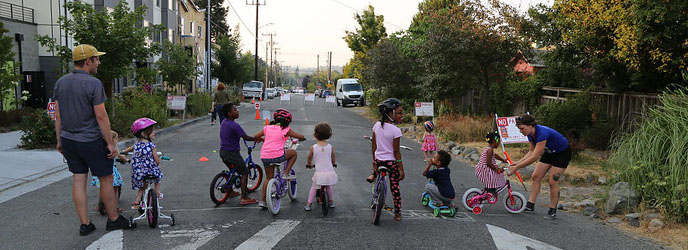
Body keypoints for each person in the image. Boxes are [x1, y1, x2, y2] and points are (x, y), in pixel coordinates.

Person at [53, 44, 135, 235]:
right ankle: (114, 219)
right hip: (90, 140)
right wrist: (109, 143)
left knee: (78, 180)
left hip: (68, 139)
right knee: (106, 179)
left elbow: (58, 114)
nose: (98, 62)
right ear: (87, 61)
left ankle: (85, 224)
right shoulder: (93, 84)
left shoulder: (61, 82)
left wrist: (59, 140)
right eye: (96, 59)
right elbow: (101, 116)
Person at [508, 114, 571, 220]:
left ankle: (552, 210)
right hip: (549, 152)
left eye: (522, 128)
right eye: (519, 129)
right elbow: (531, 152)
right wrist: (517, 162)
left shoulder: (542, 133)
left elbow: (534, 157)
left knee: (552, 181)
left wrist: (517, 167)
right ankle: (530, 205)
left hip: (562, 153)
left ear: (530, 125)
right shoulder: (529, 134)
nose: (520, 131)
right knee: (536, 176)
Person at [253, 109, 306, 208]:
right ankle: (286, 173)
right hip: (278, 156)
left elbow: (255, 136)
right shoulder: (286, 129)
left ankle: (263, 201)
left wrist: (261, 139)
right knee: (293, 153)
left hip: (265, 156)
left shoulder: (267, 128)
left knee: (268, 178)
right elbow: (300, 136)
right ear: (288, 121)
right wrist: (302, 138)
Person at [365, 98, 406, 221]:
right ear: (390, 114)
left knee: (378, 175)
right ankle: (398, 213)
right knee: (395, 187)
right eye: (399, 113)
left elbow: (374, 146)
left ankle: (374, 175)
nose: (401, 115)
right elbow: (396, 152)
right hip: (391, 162)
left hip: (378, 160)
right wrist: (401, 170)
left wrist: (374, 160)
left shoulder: (376, 126)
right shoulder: (396, 130)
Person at [219, 103, 258, 205]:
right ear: (229, 113)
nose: (237, 111)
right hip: (232, 153)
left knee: (233, 170)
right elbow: (246, 137)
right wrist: (256, 138)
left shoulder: (224, 122)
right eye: (235, 110)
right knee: (244, 172)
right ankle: (244, 197)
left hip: (223, 153)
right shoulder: (234, 125)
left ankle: (230, 191)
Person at [129, 118, 164, 208]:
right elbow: (157, 161)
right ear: (144, 134)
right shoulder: (151, 146)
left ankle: (137, 200)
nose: (154, 132)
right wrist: (157, 162)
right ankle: (157, 192)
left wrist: (124, 151)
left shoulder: (136, 145)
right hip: (150, 171)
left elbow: (130, 149)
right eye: (152, 131)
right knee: (158, 176)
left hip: (138, 173)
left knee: (143, 186)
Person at [91, 130, 128, 214]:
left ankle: (99, 205)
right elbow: (122, 157)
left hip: (99, 171)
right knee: (115, 190)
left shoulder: (99, 150)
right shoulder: (114, 150)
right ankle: (114, 207)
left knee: (102, 189)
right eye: (116, 139)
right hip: (111, 172)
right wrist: (126, 160)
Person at [304, 123, 338, 211]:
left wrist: (309, 164)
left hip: (319, 173)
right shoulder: (331, 147)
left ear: (315, 135)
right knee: (328, 186)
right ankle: (331, 202)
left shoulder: (313, 147)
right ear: (328, 135)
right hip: (329, 172)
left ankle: (309, 204)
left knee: (314, 187)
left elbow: (309, 157)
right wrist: (333, 163)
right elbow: (333, 157)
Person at [475, 132, 508, 196]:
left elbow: (495, 155)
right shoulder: (490, 150)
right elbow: (488, 163)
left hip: (484, 168)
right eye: (498, 142)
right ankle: (490, 191)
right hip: (484, 170)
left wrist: (503, 160)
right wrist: (497, 169)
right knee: (493, 176)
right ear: (495, 141)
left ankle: (491, 190)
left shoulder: (489, 149)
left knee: (496, 175)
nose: (499, 144)